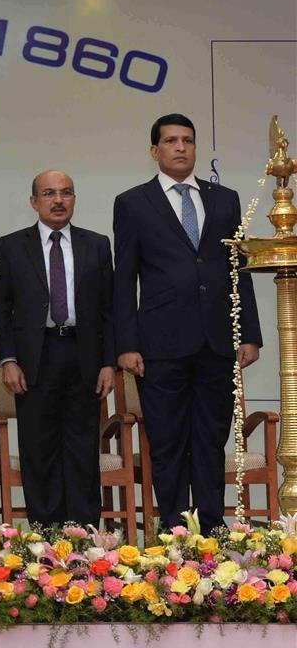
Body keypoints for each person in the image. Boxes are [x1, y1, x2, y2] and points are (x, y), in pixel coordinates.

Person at [113, 114, 261, 534]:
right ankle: (175, 531)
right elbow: (124, 278)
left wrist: (248, 333)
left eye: (188, 141)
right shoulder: (133, 203)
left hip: (218, 342)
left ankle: (212, 530)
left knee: (211, 442)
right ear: (154, 151)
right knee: (168, 442)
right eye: (171, 141)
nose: (181, 148)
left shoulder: (224, 199)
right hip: (160, 344)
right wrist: (127, 343)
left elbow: (240, 269)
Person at [0, 170, 115, 528]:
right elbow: (2, 310)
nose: (58, 200)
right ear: (34, 202)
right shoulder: (13, 245)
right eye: (49, 193)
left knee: (82, 452)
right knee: (39, 451)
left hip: (84, 355)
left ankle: (84, 538)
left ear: (75, 199)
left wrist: (109, 362)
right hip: (36, 358)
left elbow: (109, 310)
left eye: (66, 193)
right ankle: (45, 543)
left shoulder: (96, 244)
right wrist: (8, 359)